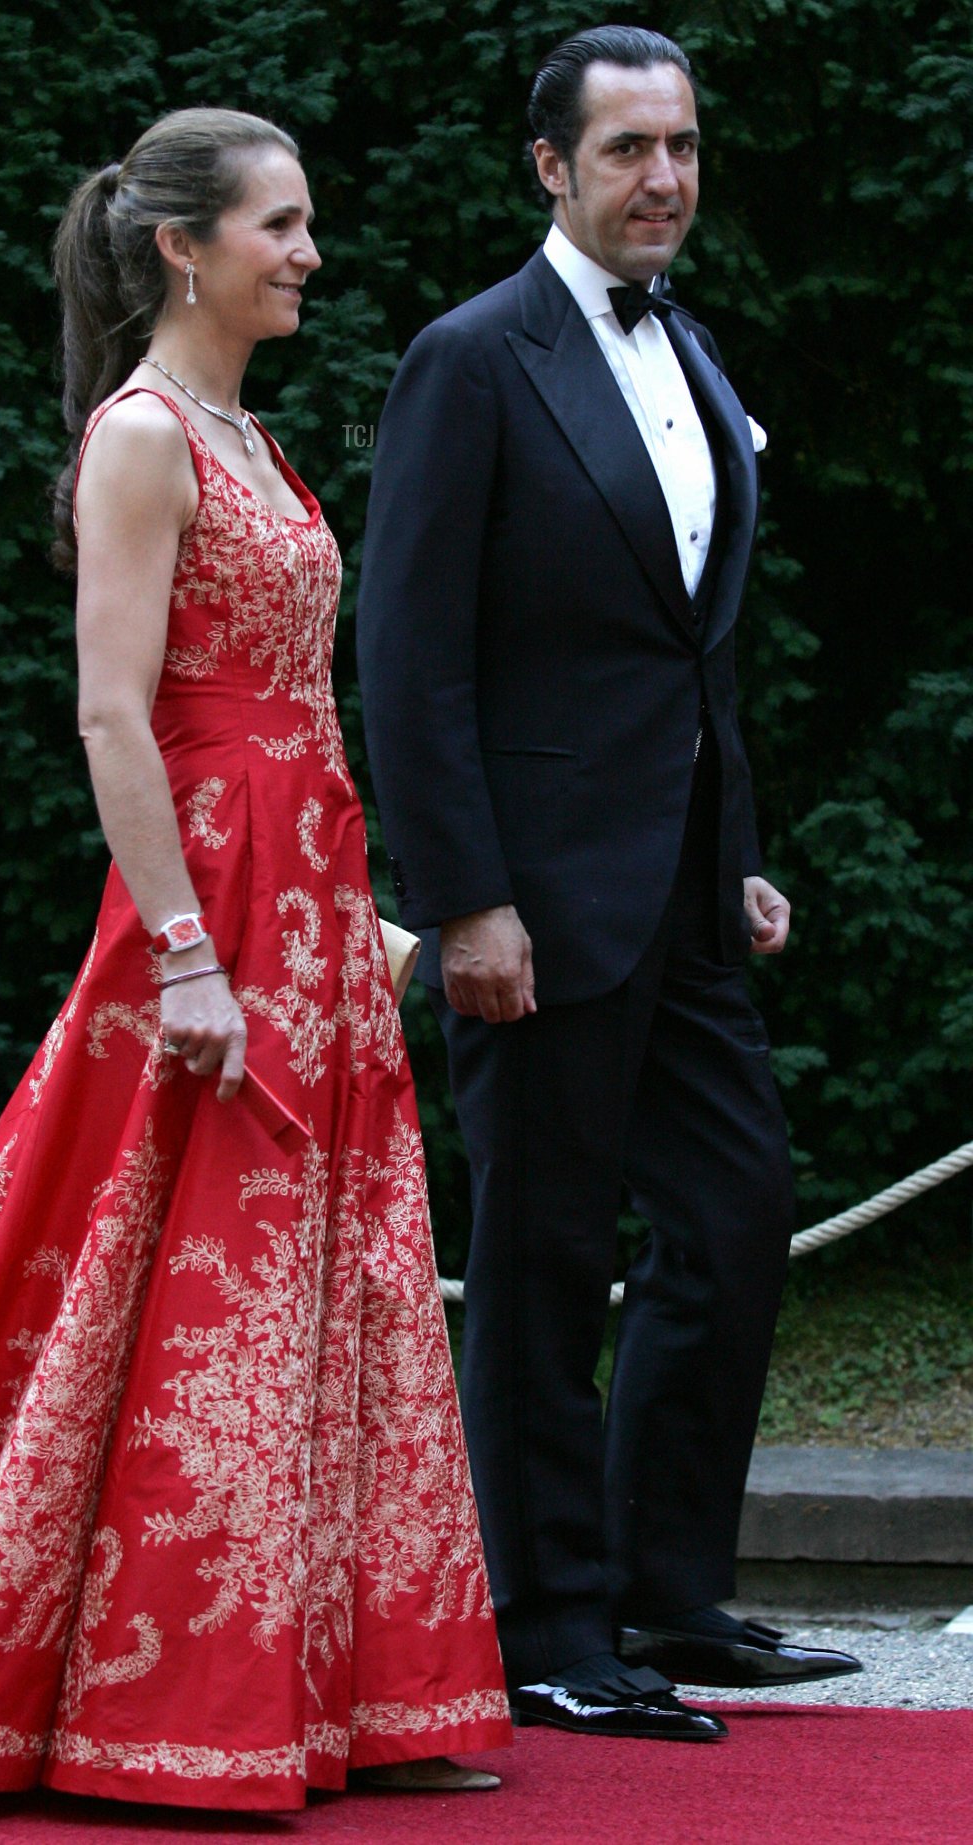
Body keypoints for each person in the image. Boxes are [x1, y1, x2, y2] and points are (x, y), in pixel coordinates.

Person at [0, 107, 512, 1810]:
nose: (312, 254)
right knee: (163, 1274)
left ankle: (352, 1697)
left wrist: (355, 905)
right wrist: (185, 950)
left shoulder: (251, 438)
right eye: (284, 226)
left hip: (306, 889)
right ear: (187, 246)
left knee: (332, 1275)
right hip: (207, 901)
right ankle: (122, 1703)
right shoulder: (143, 435)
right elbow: (115, 710)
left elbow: (297, 698)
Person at [357, 27, 861, 1743]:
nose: (667, 178)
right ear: (551, 169)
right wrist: (465, 897)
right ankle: (549, 1624)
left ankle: (669, 1591)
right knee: (548, 1260)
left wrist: (736, 854)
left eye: (686, 147)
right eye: (631, 148)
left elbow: (687, 650)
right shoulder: (469, 360)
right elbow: (412, 659)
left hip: (687, 896)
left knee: (733, 1218)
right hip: (534, 908)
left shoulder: (695, 349)